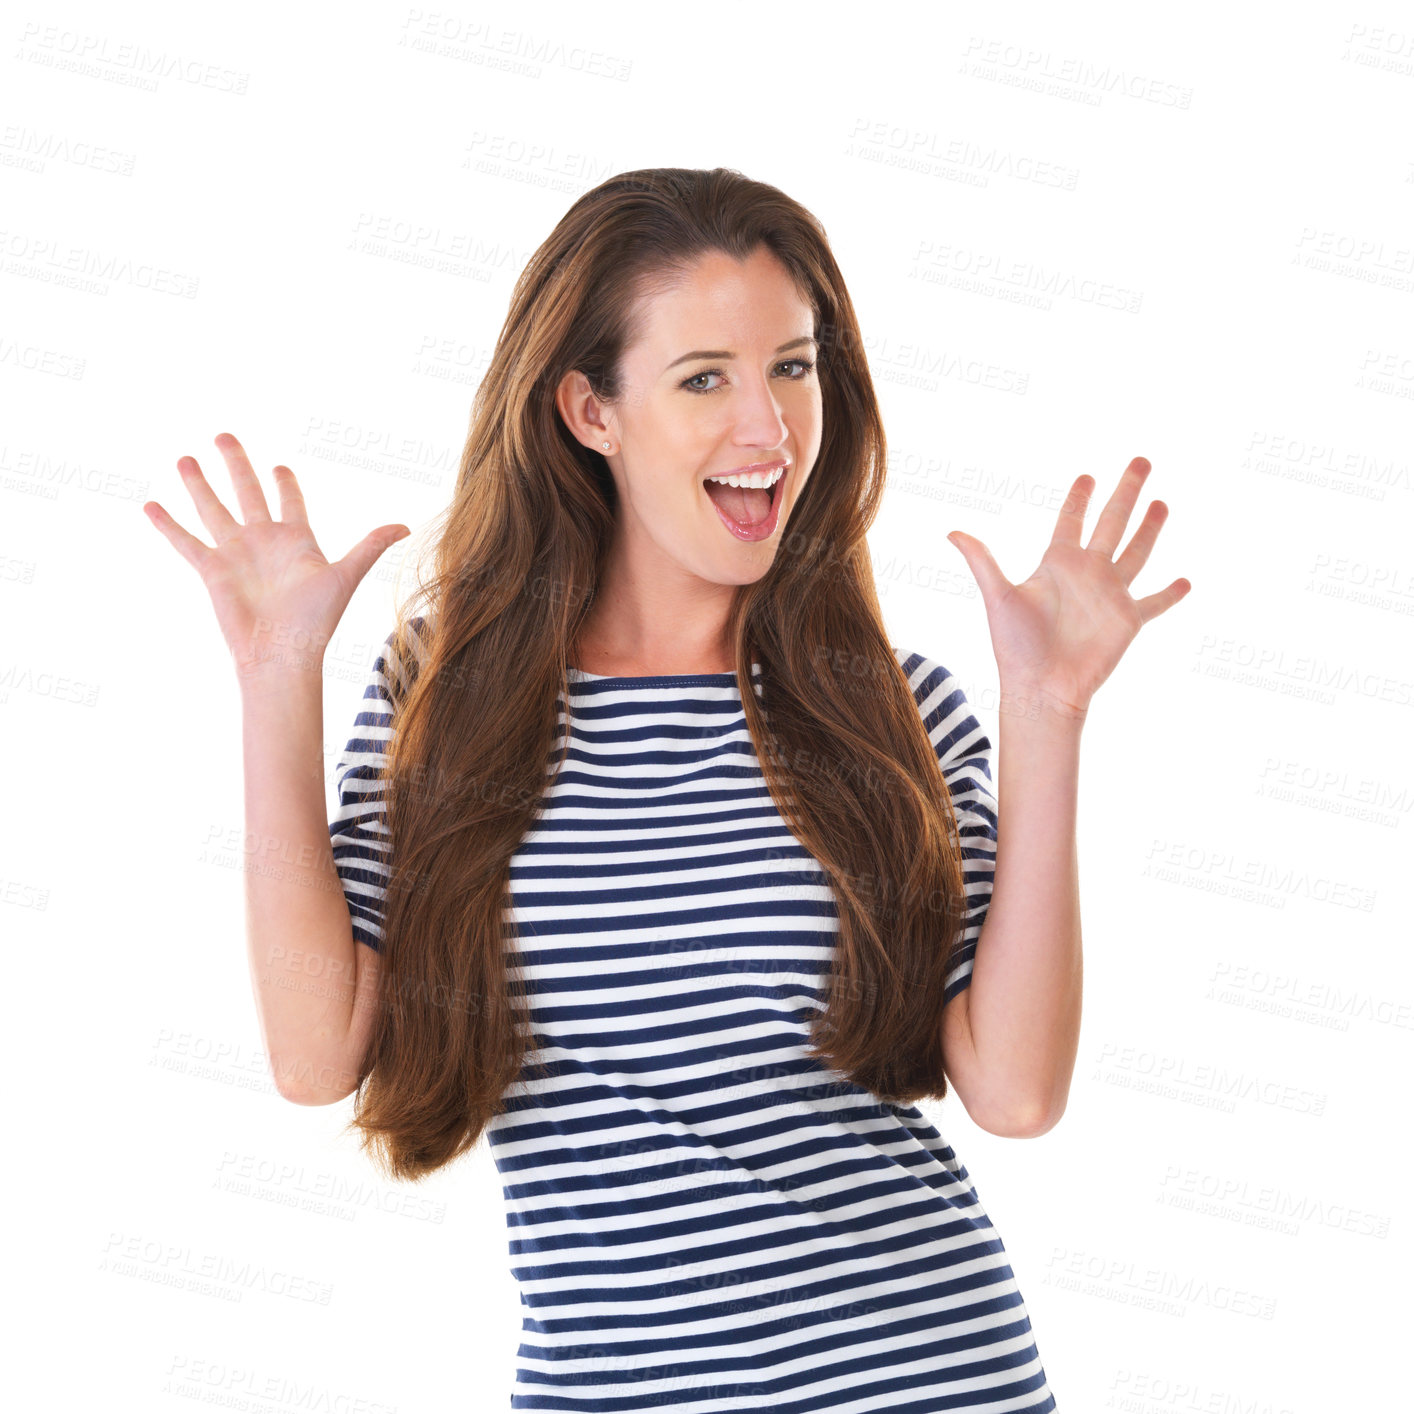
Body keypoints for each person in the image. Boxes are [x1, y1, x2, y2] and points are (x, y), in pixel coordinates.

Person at [145, 166, 1188, 1412]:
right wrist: (275, 683)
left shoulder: (887, 706)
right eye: (706, 379)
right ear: (590, 410)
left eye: (792, 368)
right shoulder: (451, 704)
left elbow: (1013, 1094)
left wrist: (1049, 714)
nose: (769, 429)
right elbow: (319, 1057)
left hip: (925, 1377)